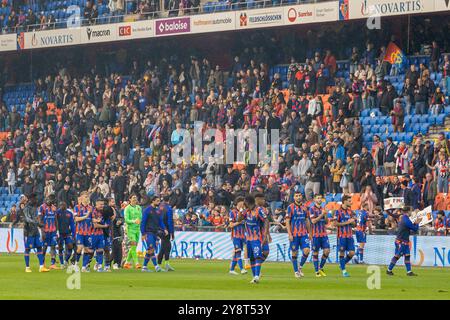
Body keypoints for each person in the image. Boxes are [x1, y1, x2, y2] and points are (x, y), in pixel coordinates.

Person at [12, 193, 49, 273]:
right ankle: (27, 267)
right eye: (34, 199)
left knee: (39, 247)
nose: (36, 200)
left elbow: (36, 217)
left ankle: (41, 267)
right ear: (31, 199)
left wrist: (38, 223)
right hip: (28, 232)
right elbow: (28, 219)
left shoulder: (34, 207)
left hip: (35, 231)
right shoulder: (26, 208)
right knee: (27, 249)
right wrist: (38, 223)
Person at [240, 194, 267, 284]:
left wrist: (265, 234)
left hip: (257, 238)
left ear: (247, 202)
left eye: (245, 202)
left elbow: (266, 221)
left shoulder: (259, 210)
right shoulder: (246, 211)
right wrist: (241, 210)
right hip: (248, 239)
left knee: (257, 256)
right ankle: (254, 277)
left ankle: (256, 276)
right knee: (251, 258)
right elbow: (238, 219)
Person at [386, 206, 421, 276]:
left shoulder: (404, 218)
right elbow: (414, 229)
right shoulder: (406, 220)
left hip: (404, 241)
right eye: (411, 211)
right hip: (401, 242)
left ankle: (409, 271)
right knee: (397, 256)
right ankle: (389, 270)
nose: (412, 212)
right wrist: (417, 223)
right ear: (408, 211)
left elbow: (410, 226)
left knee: (407, 256)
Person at [285, 191, 311, 278]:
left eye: (300, 195)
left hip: (303, 234)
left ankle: (300, 267)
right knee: (294, 253)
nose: (298, 197)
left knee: (307, 250)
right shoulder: (290, 207)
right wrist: (289, 234)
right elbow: (287, 221)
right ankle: (296, 271)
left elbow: (307, 220)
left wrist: (310, 232)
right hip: (294, 234)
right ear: (294, 198)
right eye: (296, 196)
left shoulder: (305, 207)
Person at [140, 196, 167, 272]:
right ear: (153, 201)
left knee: (150, 250)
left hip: (155, 233)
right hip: (149, 233)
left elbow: (160, 221)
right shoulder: (147, 210)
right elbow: (143, 222)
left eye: (159, 201)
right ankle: (156, 266)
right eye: (157, 201)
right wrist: (143, 233)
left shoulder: (158, 211)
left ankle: (144, 267)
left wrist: (164, 229)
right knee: (151, 249)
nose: (159, 202)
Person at [334, 194, 356, 277]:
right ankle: (344, 270)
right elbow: (335, 223)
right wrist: (348, 222)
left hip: (349, 235)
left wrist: (353, 222)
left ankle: (342, 264)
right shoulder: (338, 211)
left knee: (352, 253)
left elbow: (353, 225)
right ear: (344, 201)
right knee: (342, 252)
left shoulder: (351, 211)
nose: (351, 202)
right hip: (341, 236)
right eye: (349, 201)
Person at [308, 194, 330, 277]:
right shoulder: (311, 209)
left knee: (327, 251)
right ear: (314, 199)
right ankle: (316, 271)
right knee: (315, 252)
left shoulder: (322, 209)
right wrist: (321, 214)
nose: (320, 199)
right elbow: (313, 221)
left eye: (321, 198)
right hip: (315, 234)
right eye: (318, 198)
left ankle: (320, 267)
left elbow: (326, 222)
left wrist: (325, 214)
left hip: (323, 234)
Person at [73, 191, 94, 273]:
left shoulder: (91, 208)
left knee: (87, 250)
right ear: (81, 198)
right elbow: (76, 219)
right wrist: (86, 216)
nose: (87, 198)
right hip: (80, 232)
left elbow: (92, 219)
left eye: (87, 196)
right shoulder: (77, 207)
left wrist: (96, 220)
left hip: (88, 232)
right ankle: (76, 263)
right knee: (79, 248)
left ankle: (84, 267)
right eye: (85, 196)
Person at [228, 196, 247, 275]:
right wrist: (239, 222)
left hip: (243, 235)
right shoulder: (232, 212)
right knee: (238, 251)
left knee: (237, 252)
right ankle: (242, 269)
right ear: (239, 202)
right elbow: (231, 225)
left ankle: (232, 269)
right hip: (235, 235)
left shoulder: (244, 212)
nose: (244, 204)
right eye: (242, 202)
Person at [38, 194, 58, 269]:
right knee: (44, 247)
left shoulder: (53, 207)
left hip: (53, 230)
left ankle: (53, 264)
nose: (53, 201)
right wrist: (42, 231)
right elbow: (39, 219)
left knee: (53, 246)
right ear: (47, 199)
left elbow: (55, 219)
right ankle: (42, 264)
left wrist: (57, 230)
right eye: (51, 200)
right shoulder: (42, 207)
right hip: (45, 230)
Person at [123, 194, 142, 269]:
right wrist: (134, 221)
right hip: (130, 230)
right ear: (130, 199)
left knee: (133, 247)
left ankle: (126, 263)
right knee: (133, 245)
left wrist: (139, 222)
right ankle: (137, 263)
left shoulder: (138, 207)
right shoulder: (127, 208)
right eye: (133, 198)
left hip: (137, 229)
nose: (135, 199)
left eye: (136, 198)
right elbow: (126, 220)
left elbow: (141, 217)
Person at [157, 196, 175, 272]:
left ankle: (164, 264)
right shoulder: (169, 209)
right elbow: (170, 221)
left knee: (164, 246)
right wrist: (172, 232)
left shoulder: (159, 208)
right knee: (166, 247)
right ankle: (160, 265)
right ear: (169, 200)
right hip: (165, 230)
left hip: (159, 229)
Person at [56, 201, 76, 269]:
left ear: (66, 206)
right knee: (60, 248)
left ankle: (66, 260)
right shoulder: (57, 213)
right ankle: (61, 263)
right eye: (61, 205)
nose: (62, 206)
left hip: (67, 233)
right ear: (59, 206)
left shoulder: (69, 213)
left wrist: (73, 234)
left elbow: (72, 224)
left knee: (70, 246)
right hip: (60, 233)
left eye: (63, 205)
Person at [91, 199, 109, 272]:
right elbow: (95, 225)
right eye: (100, 204)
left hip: (101, 233)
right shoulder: (93, 212)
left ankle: (100, 266)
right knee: (90, 251)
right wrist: (105, 226)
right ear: (96, 205)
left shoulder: (104, 212)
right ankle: (86, 265)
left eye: (103, 204)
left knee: (101, 250)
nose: (102, 206)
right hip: (92, 233)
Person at [255, 193, 271, 265]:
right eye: (263, 199)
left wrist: (268, 234)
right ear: (258, 200)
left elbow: (266, 222)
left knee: (266, 252)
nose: (264, 201)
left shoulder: (264, 209)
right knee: (256, 252)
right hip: (256, 234)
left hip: (263, 233)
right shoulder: (254, 209)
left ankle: (256, 266)